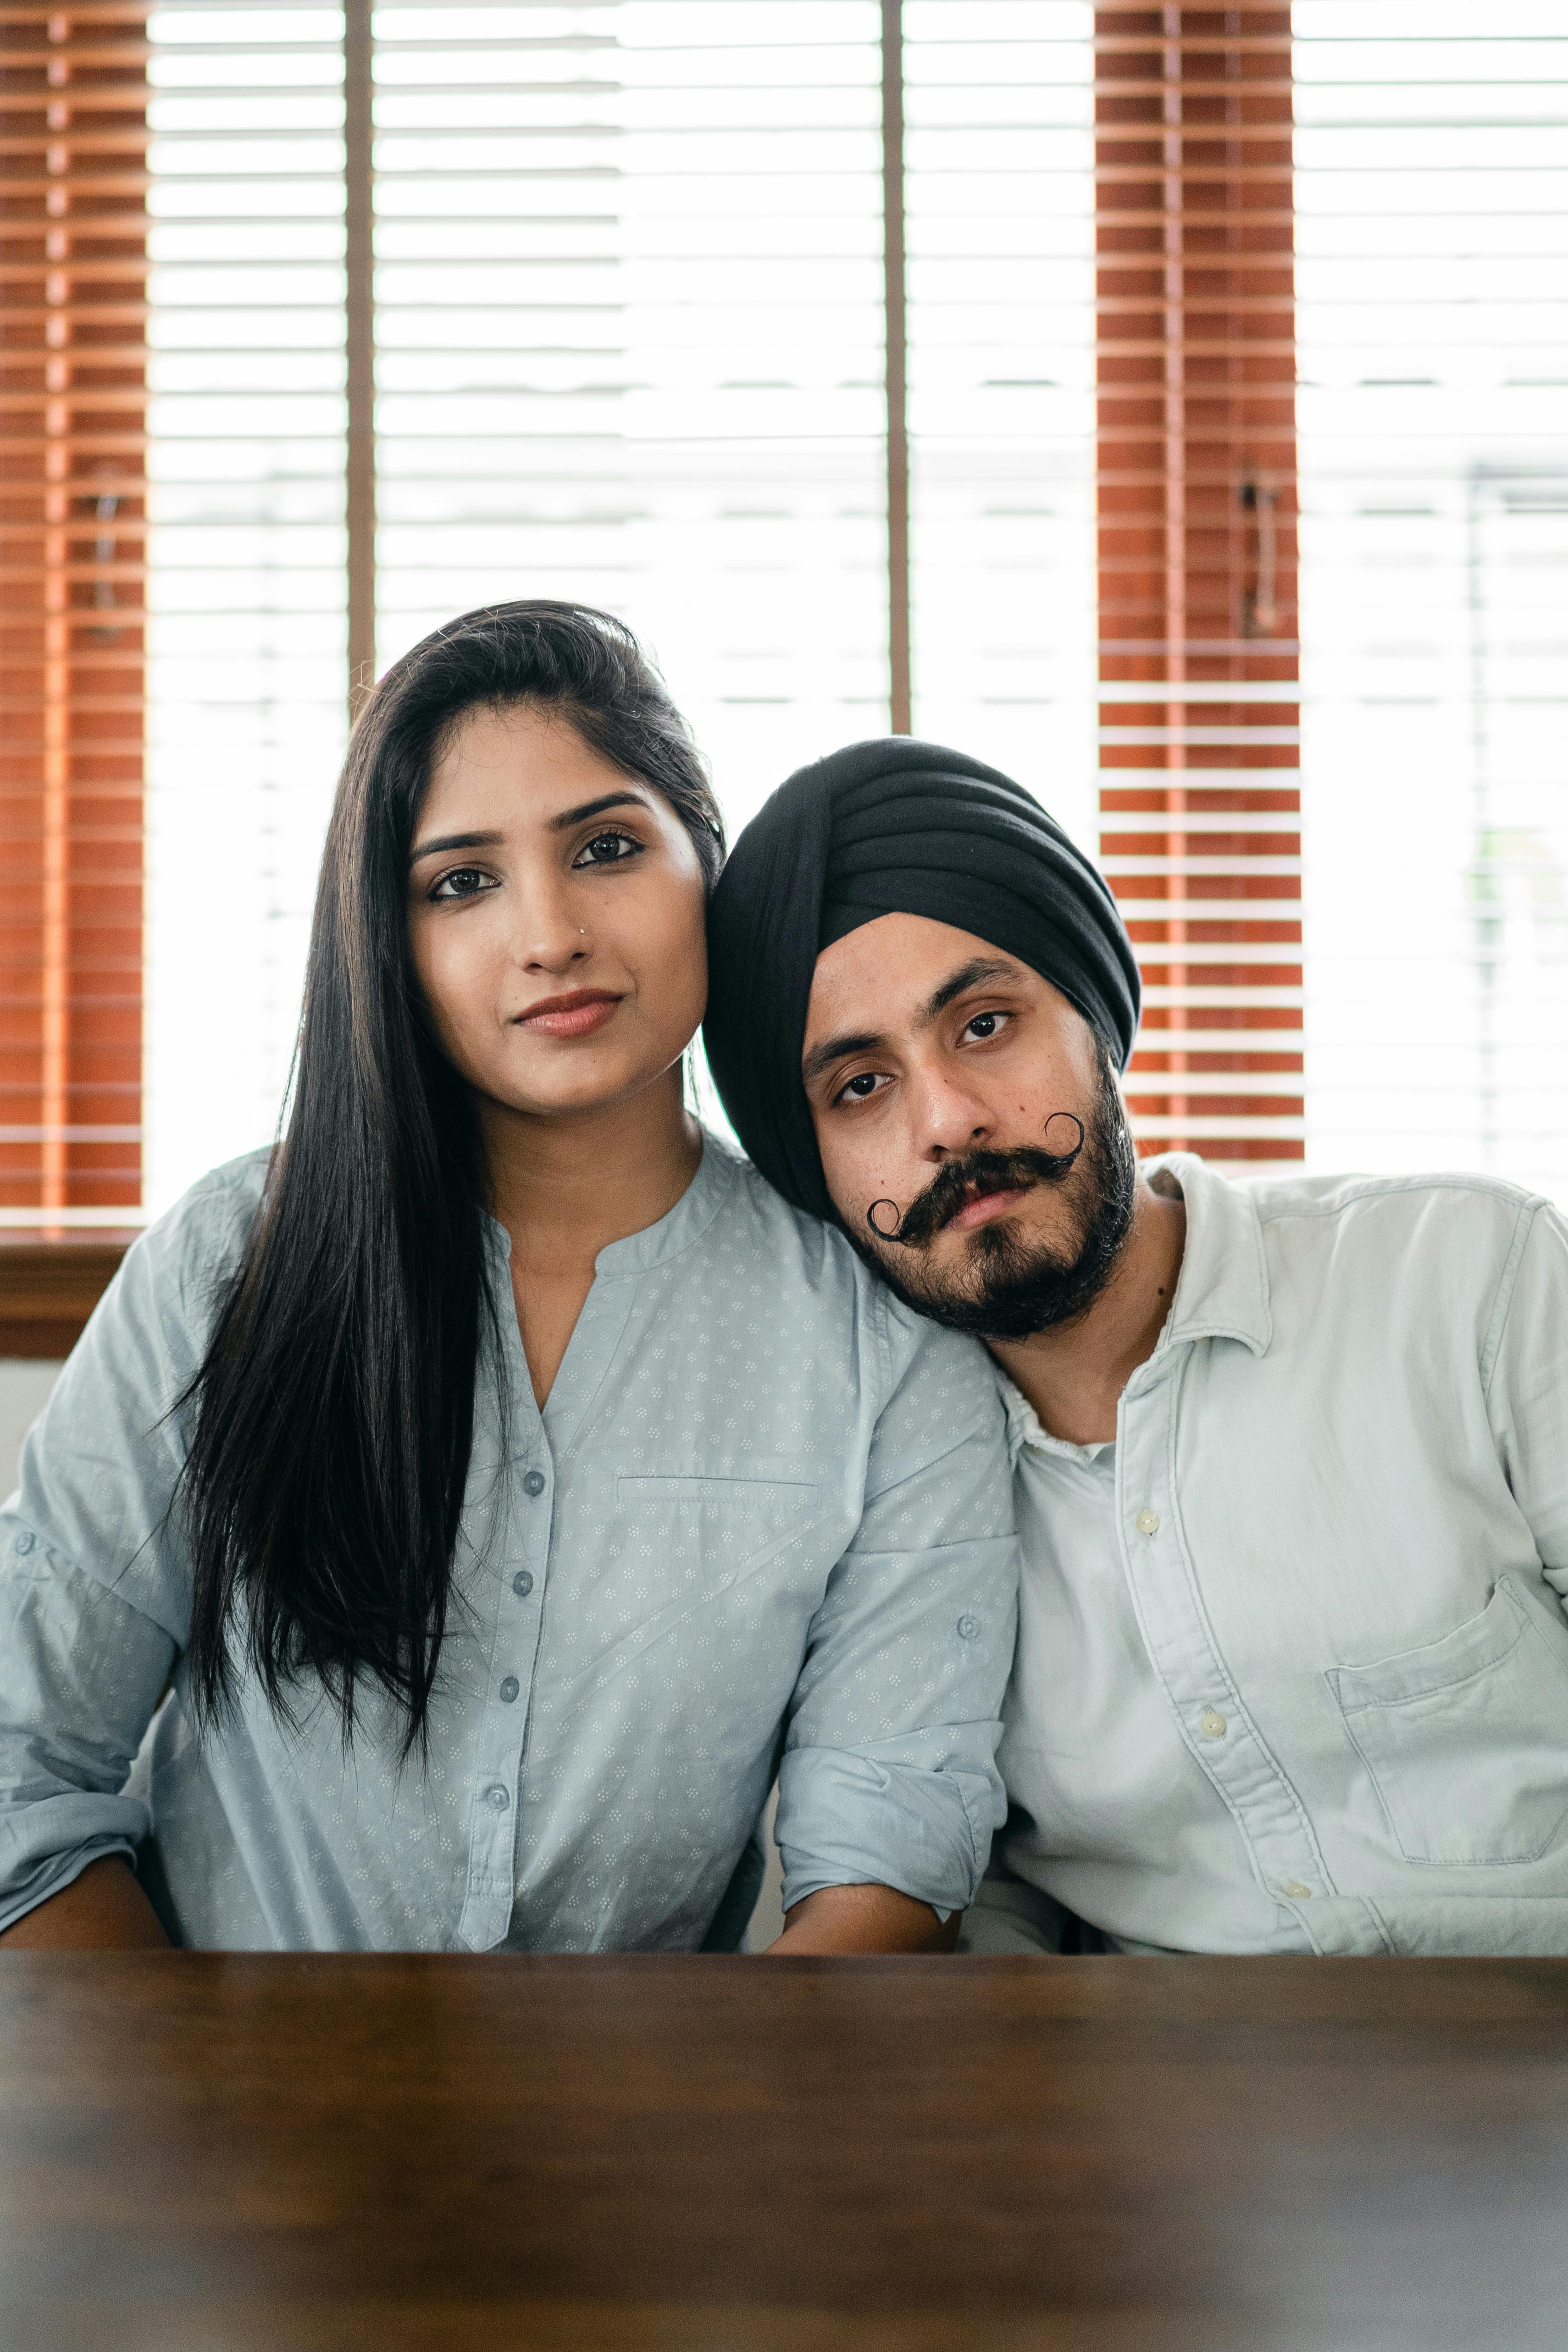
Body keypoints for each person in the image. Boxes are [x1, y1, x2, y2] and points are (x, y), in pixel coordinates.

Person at [0, 613, 1017, 1955]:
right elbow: (23, 1781)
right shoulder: (224, 1265)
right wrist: (208, 2123)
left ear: (702, 865)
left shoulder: (877, 1336)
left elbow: (884, 1856)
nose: (550, 935)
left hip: (659, 2137)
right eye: (459, 884)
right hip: (218, 2135)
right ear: (390, 941)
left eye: (605, 848)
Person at [704, 735, 1568, 1959]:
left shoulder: (1469, 1278)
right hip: (1170, 2132)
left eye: (986, 1024)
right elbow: (961, 1896)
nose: (946, 1120)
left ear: (1093, 1019)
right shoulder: (882, 1517)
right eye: (859, 1089)